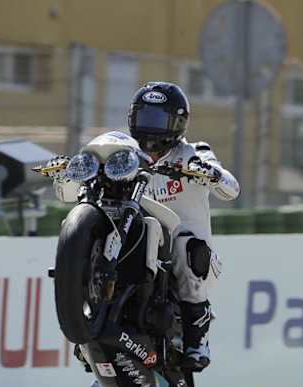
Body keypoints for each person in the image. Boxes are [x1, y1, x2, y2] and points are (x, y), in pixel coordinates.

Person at [53, 81, 240, 371]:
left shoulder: (194, 152)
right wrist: (71, 174)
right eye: (144, 118)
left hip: (179, 244)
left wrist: (210, 173)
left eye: (159, 119)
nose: (151, 128)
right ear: (132, 118)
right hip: (137, 233)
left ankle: (197, 340)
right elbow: (65, 194)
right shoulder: (123, 153)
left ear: (177, 124)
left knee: (187, 249)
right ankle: (91, 315)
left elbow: (231, 189)